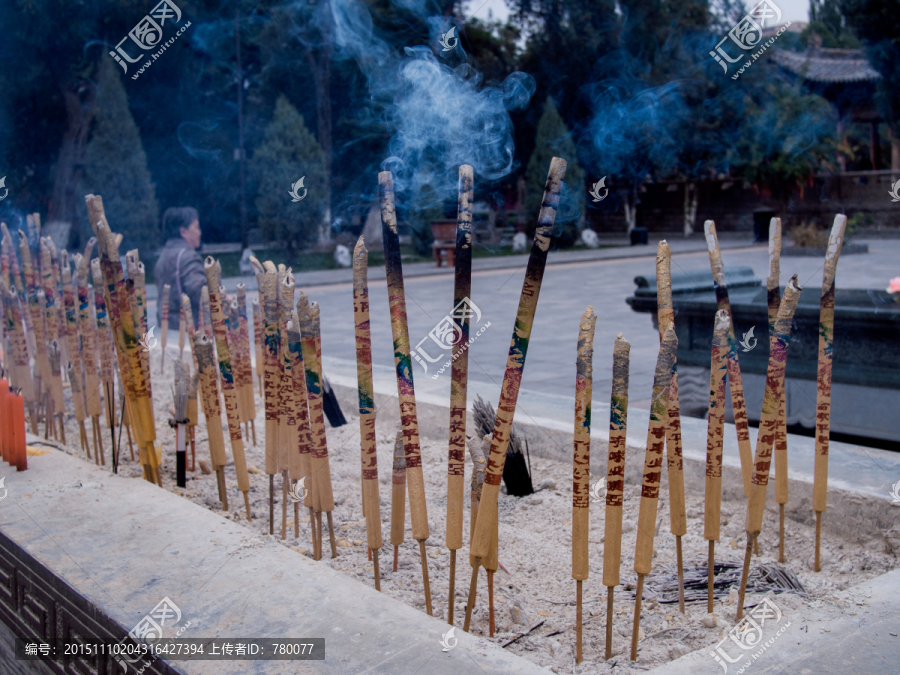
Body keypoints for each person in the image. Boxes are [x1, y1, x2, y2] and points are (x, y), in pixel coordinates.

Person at [154, 207, 206, 330]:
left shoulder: (163, 256)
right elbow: (202, 296)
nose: (200, 232)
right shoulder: (188, 257)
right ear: (183, 232)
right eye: (196, 227)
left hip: (168, 330)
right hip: (189, 332)